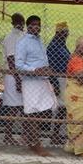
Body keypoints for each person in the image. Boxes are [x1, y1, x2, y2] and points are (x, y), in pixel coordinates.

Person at [13, 15, 56, 156]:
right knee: (32, 113)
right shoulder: (23, 42)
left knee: (45, 109)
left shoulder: (39, 41)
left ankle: (30, 139)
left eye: (38, 24)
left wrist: (46, 69)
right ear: (27, 26)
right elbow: (18, 65)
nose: (36, 27)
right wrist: (34, 70)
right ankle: (35, 144)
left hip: (43, 80)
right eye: (33, 24)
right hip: (31, 82)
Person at [0, 13, 27, 145]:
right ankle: (8, 135)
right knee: (12, 107)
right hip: (13, 75)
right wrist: (18, 79)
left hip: (19, 74)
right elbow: (11, 59)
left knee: (21, 106)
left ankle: (24, 134)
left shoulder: (21, 36)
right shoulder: (12, 37)